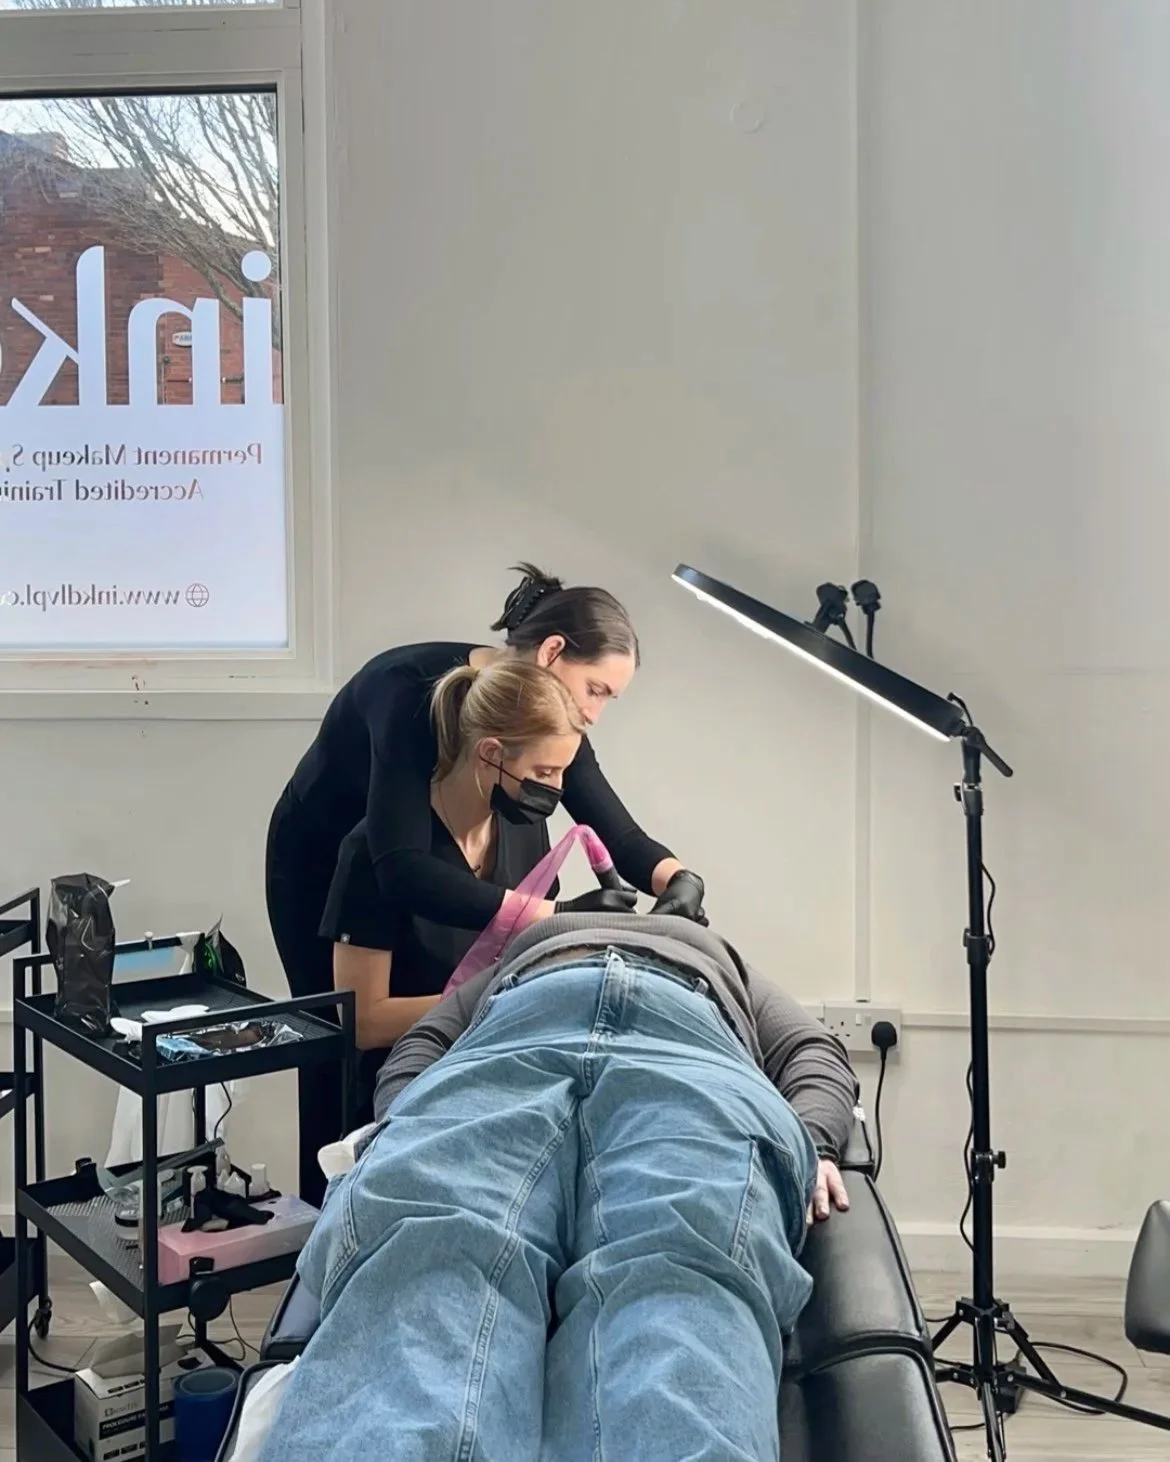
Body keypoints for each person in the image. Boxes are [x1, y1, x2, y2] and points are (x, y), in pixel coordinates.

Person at [256, 912, 858, 1462]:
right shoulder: (525, 946)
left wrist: (816, 1143)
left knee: (683, 1263)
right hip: (513, 1035)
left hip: (687, 1045)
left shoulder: (716, 952)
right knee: (431, 1241)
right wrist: (396, 1126)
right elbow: (422, 1044)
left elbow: (812, 1051)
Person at [266, 564, 706, 1200]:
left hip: (425, 865)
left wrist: (678, 877)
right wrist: (545, 919)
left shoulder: (546, 731)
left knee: (447, 1020)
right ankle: (327, 1230)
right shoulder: (408, 691)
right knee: (340, 1046)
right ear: (553, 653)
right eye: (597, 689)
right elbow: (398, 867)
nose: (596, 712)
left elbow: (617, 830)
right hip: (324, 865)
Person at [321, 656, 634, 1120]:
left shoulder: (524, 833)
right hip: (406, 1093)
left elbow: (530, 955)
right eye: (545, 772)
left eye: (564, 772)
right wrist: (502, 998)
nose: (558, 788)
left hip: (500, 1080)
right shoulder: (373, 855)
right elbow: (363, 1022)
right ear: (490, 754)